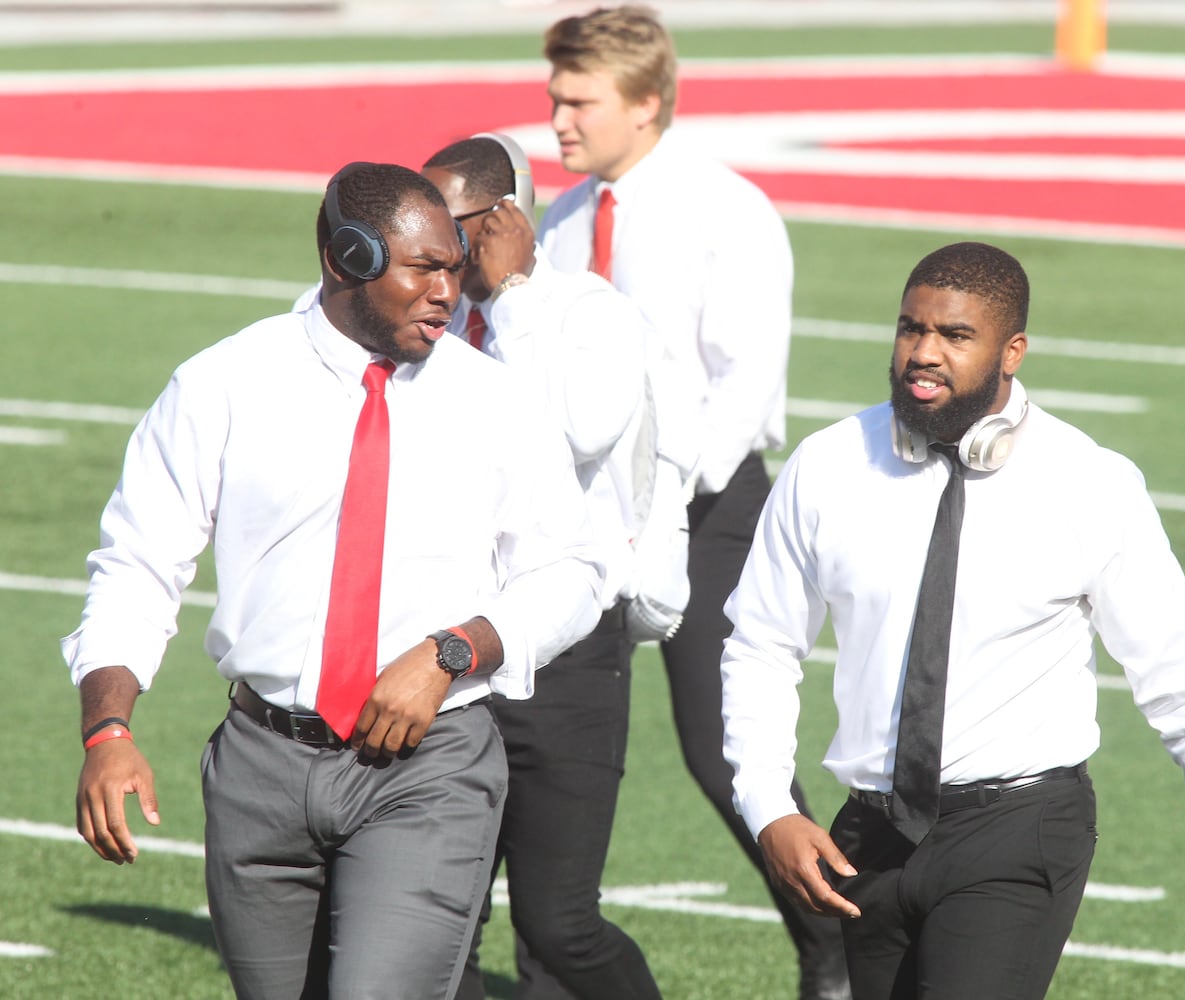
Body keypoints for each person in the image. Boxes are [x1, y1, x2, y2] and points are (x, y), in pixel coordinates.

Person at [61, 162, 606, 1000]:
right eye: (422, 268)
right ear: (342, 257)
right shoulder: (223, 384)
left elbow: (573, 570)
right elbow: (137, 563)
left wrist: (454, 652)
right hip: (261, 767)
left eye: (455, 267)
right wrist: (108, 730)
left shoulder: (496, 400)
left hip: (430, 768)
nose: (446, 292)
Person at [719, 240, 1185, 998]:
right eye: (910, 329)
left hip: (1018, 828)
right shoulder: (827, 465)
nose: (923, 354)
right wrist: (768, 804)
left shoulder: (1090, 482)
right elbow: (762, 644)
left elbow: (1176, 676)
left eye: (955, 336)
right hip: (867, 834)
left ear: (1012, 351)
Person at [536, 9, 852, 998]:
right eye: (554, 98)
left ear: (645, 102)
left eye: (578, 101)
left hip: (707, 510)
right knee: (536, 742)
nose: (557, 120)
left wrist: (656, 508)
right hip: (578, 522)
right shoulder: (560, 219)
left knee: (727, 753)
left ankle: (836, 953)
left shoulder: (727, 212)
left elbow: (743, 389)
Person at [420, 134, 664, 1000]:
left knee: (558, 924)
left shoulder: (589, 312)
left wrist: (514, 299)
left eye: (445, 228)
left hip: (568, 647)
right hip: (447, 647)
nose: (428, 250)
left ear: (505, 220)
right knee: (437, 919)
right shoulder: (428, 316)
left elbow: (571, 436)